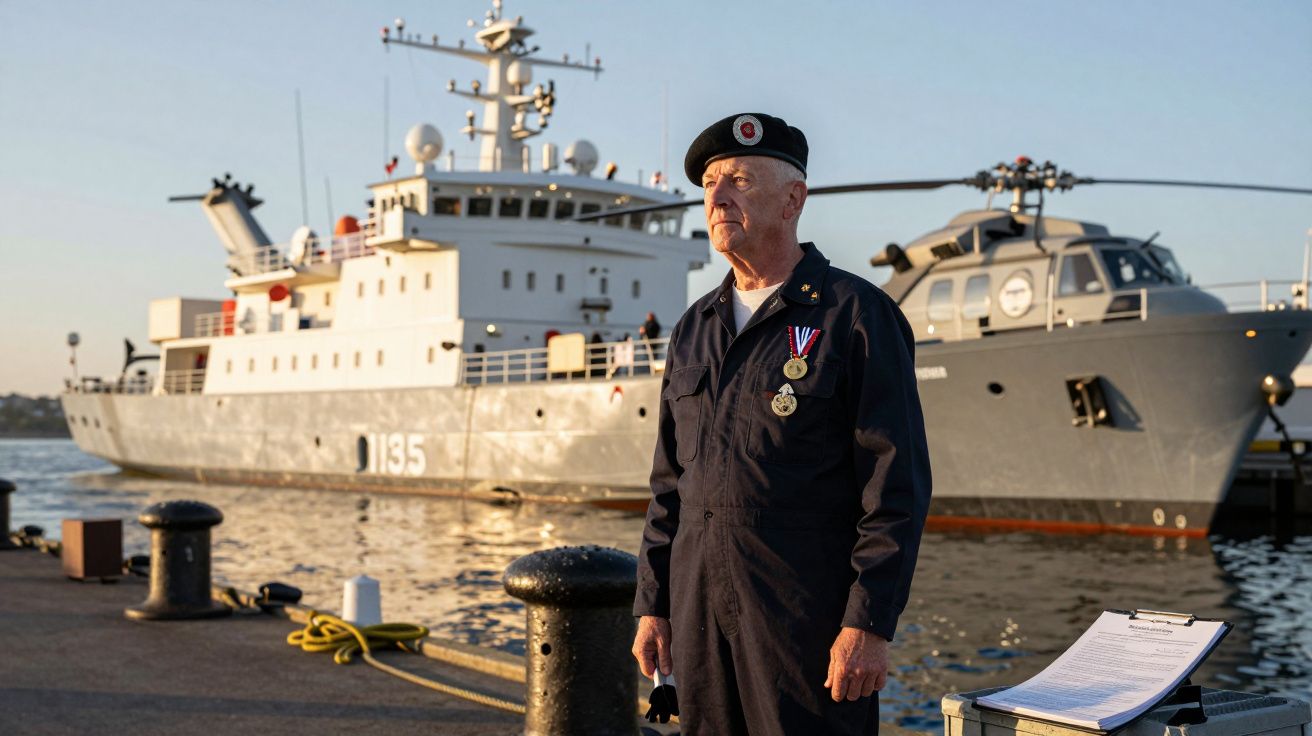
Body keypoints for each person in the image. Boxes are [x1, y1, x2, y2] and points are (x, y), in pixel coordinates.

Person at [631, 112, 932, 735]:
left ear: (794, 198)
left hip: (806, 621)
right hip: (699, 614)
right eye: (710, 183)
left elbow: (895, 485)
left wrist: (869, 624)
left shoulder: (856, 317)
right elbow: (670, 485)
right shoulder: (693, 328)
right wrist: (653, 606)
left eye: (739, 179)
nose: (716, 197)